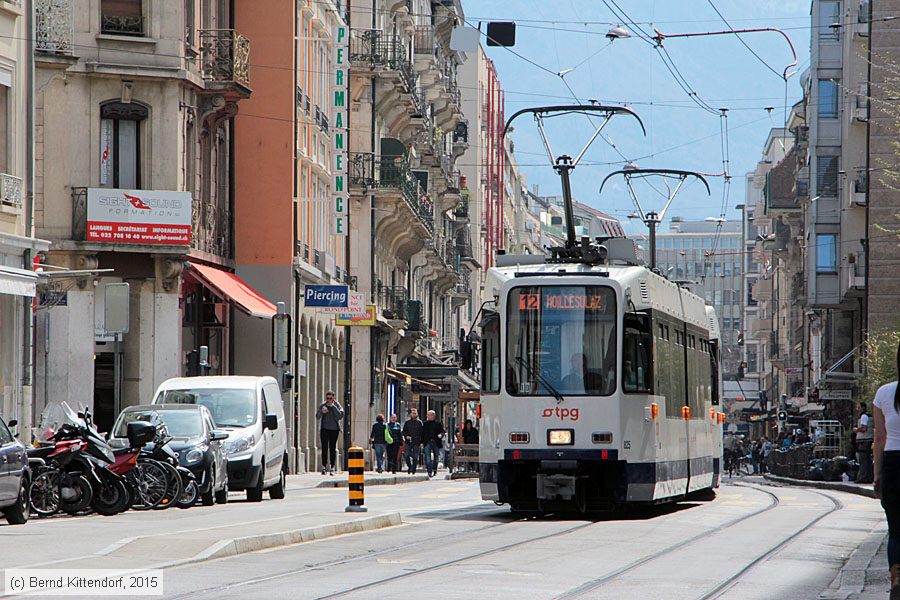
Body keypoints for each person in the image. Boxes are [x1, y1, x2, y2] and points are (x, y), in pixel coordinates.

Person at [872, 342, 900, 598]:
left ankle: (896, 575)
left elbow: (879, 438)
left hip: (893, 463)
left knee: (895, 529)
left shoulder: (884, 393)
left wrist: (877, 475)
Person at [316, 391, 344, 475]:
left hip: (334, 430)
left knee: (332, 447)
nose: (329, 400)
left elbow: (340, 416)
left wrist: (333, 407)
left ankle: (332, 466)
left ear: (334, 398)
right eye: (327, 398)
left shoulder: (337, 405)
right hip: (324, 429)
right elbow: (317, 416)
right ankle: (324, 466)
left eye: (330, 398)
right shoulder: (323, 405)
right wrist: (322, 411)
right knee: (324, 447)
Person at [421, 410, 445, 478]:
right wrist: (421, 442)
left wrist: (441, 435)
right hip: (427, 442)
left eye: (429, 415)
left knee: (436, 458)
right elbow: (422, 433)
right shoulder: (425, 424)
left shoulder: (438, 423)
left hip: (436, 442)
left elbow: (442, 431)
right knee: (427, 457)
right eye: (428, 415)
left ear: (433, 416)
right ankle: (429, 471)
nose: (428, 416)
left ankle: (434, 470)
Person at [856, 402, 875, 484]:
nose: (857, 409)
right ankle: (868, 477)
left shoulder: (864, 416)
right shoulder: (868, 416)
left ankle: (863, 478)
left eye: (858, 407)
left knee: (863, 460)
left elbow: (864, 428)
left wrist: (856, 429)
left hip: (864, 441)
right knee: (867, 460)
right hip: (868, 440)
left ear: (863, 408)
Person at [401, 408, 424, 475]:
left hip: (416, 442)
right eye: (412, 413)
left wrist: (421, 442)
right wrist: (406, 436)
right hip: (408, 441)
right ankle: (409, 466)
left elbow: (422, 433)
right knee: (407, 455)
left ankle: (413, 469)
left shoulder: (419, 423)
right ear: (410, 414)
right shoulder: (407, 423)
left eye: (415, 413)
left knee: (415, 456)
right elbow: (404, 432)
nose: (414, 414)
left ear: (417, 414)